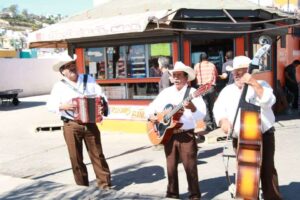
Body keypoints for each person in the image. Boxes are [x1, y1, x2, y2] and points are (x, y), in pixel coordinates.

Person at [213, 56, 282, 200]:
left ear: (249, 71)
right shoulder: (227, 90)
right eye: (235, 72)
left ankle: (273, 197)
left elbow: (270, 101)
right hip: (240, 138)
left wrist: (253, 83)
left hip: (264, 135)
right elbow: (218, 109)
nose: (237, 74)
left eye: (241, 71)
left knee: (267, 169)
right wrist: (223, 121)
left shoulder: (261, 84)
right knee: (245, 171)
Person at [47, 54, 111, 190]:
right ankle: (82, 187)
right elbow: (50, 105)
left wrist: (102, 105)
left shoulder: (89, 79)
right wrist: (62, 106)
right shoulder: (59, 86)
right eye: (67, 67)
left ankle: (105, 185)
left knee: (98, 155)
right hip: (71, 124)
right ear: (62, 71)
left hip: (90, 123)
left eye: (72, 65)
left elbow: (102, 97)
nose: (72, 68)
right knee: (75, 158)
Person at [146, 61, 206, 199]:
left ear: (186, 78)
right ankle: (172, 195)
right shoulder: (166, 92)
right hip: (169, 135)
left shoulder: (193, 93)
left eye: (180, 75)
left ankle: (195, 196)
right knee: (171, 168)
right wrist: (153, 116)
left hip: (186, 136)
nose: (177, 78)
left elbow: (201, 115)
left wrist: (192, 107)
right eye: (175, 75)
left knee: (190, 168)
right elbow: (151, 107)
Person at [194, 52, 218, 130]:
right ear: (208, 57)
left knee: (205, 106)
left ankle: (209, 124)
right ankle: (215, 123)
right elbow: (216, 75)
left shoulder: (197, 66)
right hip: (211, 87)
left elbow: (194, 76)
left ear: (201, 58)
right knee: (213, 106)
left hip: (202, 88)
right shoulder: (212, 65)